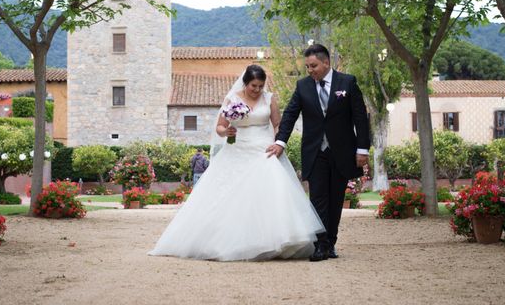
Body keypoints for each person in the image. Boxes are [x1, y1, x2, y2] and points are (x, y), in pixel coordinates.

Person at [150, 64, 324, 261]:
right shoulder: (232, 99)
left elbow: (277, 124)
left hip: (263, 150)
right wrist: (227, 132)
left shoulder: (269, 98)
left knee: (269, 192)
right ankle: (232, 241)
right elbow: (220, 127)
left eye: (260, 86)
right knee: (228, 194)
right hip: (237, 149)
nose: (257, 90)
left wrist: (277, 144)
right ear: (246, 83)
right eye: (253, 86)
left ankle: (275, 241)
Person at [268, 43, 371, 262]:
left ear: (326, 62)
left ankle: (330, 243)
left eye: (313, 65)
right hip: (315, 152)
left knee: (336, 200)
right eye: (307, 67)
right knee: (317, 199)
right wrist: (280, 142)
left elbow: (360, 118)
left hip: (343, 152)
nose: (310, 70)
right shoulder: (302, 86)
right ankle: (319, 245)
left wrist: (363, 150)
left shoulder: (348, 82)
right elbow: (290, 116)